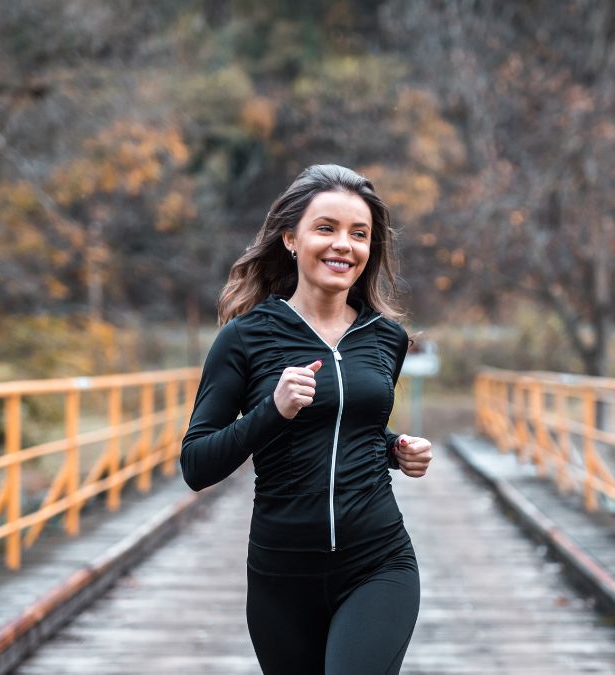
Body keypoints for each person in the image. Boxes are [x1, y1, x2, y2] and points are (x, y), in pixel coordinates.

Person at [180, 164, 434, 674]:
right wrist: (272, 411)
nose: (344, 245)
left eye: (359, 234)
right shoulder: (245, 338)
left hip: (377, 562)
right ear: (291, 239)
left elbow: (350, 425)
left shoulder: (387, 338)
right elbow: (196, 464)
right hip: (282, 576)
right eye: (327, 228)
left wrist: (394, 449)